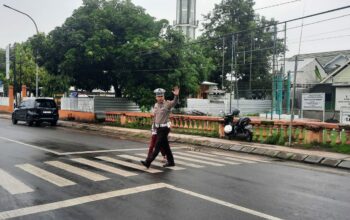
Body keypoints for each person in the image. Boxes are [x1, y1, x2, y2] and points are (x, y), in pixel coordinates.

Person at [141, 86, 179, 168]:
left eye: (161, 96)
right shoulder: (155, 105)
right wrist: (153, 127)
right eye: (158, 96)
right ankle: (171, 162)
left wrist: (176, 95)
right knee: (166, 147)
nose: (160, 98)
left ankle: (148, 162)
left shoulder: (167, 104)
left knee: (157, 147)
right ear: (156, 97)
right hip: (158, 128)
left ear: (164, 96)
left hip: (164, 128)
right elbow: (155, 117)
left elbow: (174, 102)